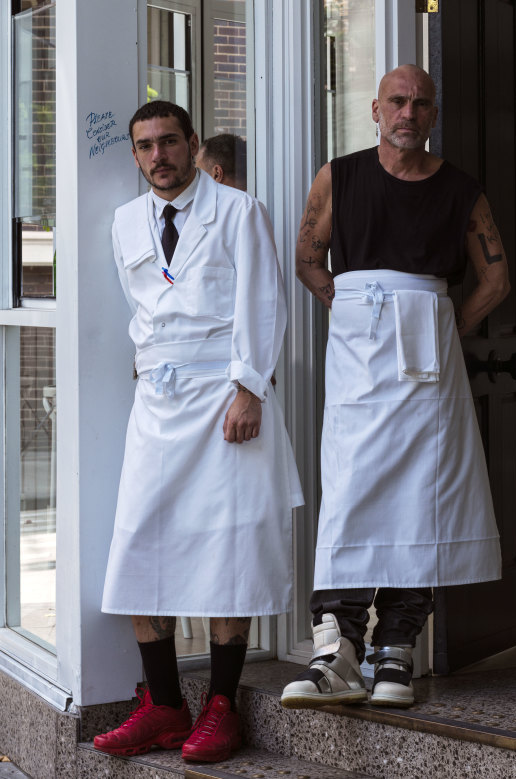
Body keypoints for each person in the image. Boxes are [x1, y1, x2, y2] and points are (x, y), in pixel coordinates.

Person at [281, 65, 509, 710]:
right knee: (351, 489)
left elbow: (496, 280)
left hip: (427, 359)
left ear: (434, 115)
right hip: (359, 352)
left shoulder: (462, 190)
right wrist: (346, 307)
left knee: (421, 499)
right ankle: (337, 648)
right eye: (398, 102)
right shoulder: (340, 175)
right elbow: (307, 257)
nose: (409, 113)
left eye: (422, 104)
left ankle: (395, 652)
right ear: (376, 111)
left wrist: (446, 326)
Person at [94, 100, 302, 763]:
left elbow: (266, 299)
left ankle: (221, 706)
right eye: (145, 146)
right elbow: (145, 307)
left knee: (227, 555)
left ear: (192, 144)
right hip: (157, 406)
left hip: (224, 401)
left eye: (169, 142)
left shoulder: (240, 212)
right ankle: (161, 706)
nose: (159, 155)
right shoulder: (125, 223)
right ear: (134, 154)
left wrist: (249, 385)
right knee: (137, 547)